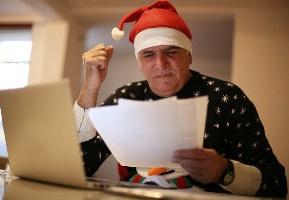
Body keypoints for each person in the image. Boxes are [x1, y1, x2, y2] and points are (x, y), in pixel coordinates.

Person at [73, 0, 287, 198]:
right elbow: (79, 166)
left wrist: (225, 171)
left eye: (171, 51)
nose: (161, 64)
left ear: (190, 56)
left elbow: (276, 185)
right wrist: (90, 87)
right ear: (139, 63)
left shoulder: (227, 98)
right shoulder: (125, 98)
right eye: (148, 54)